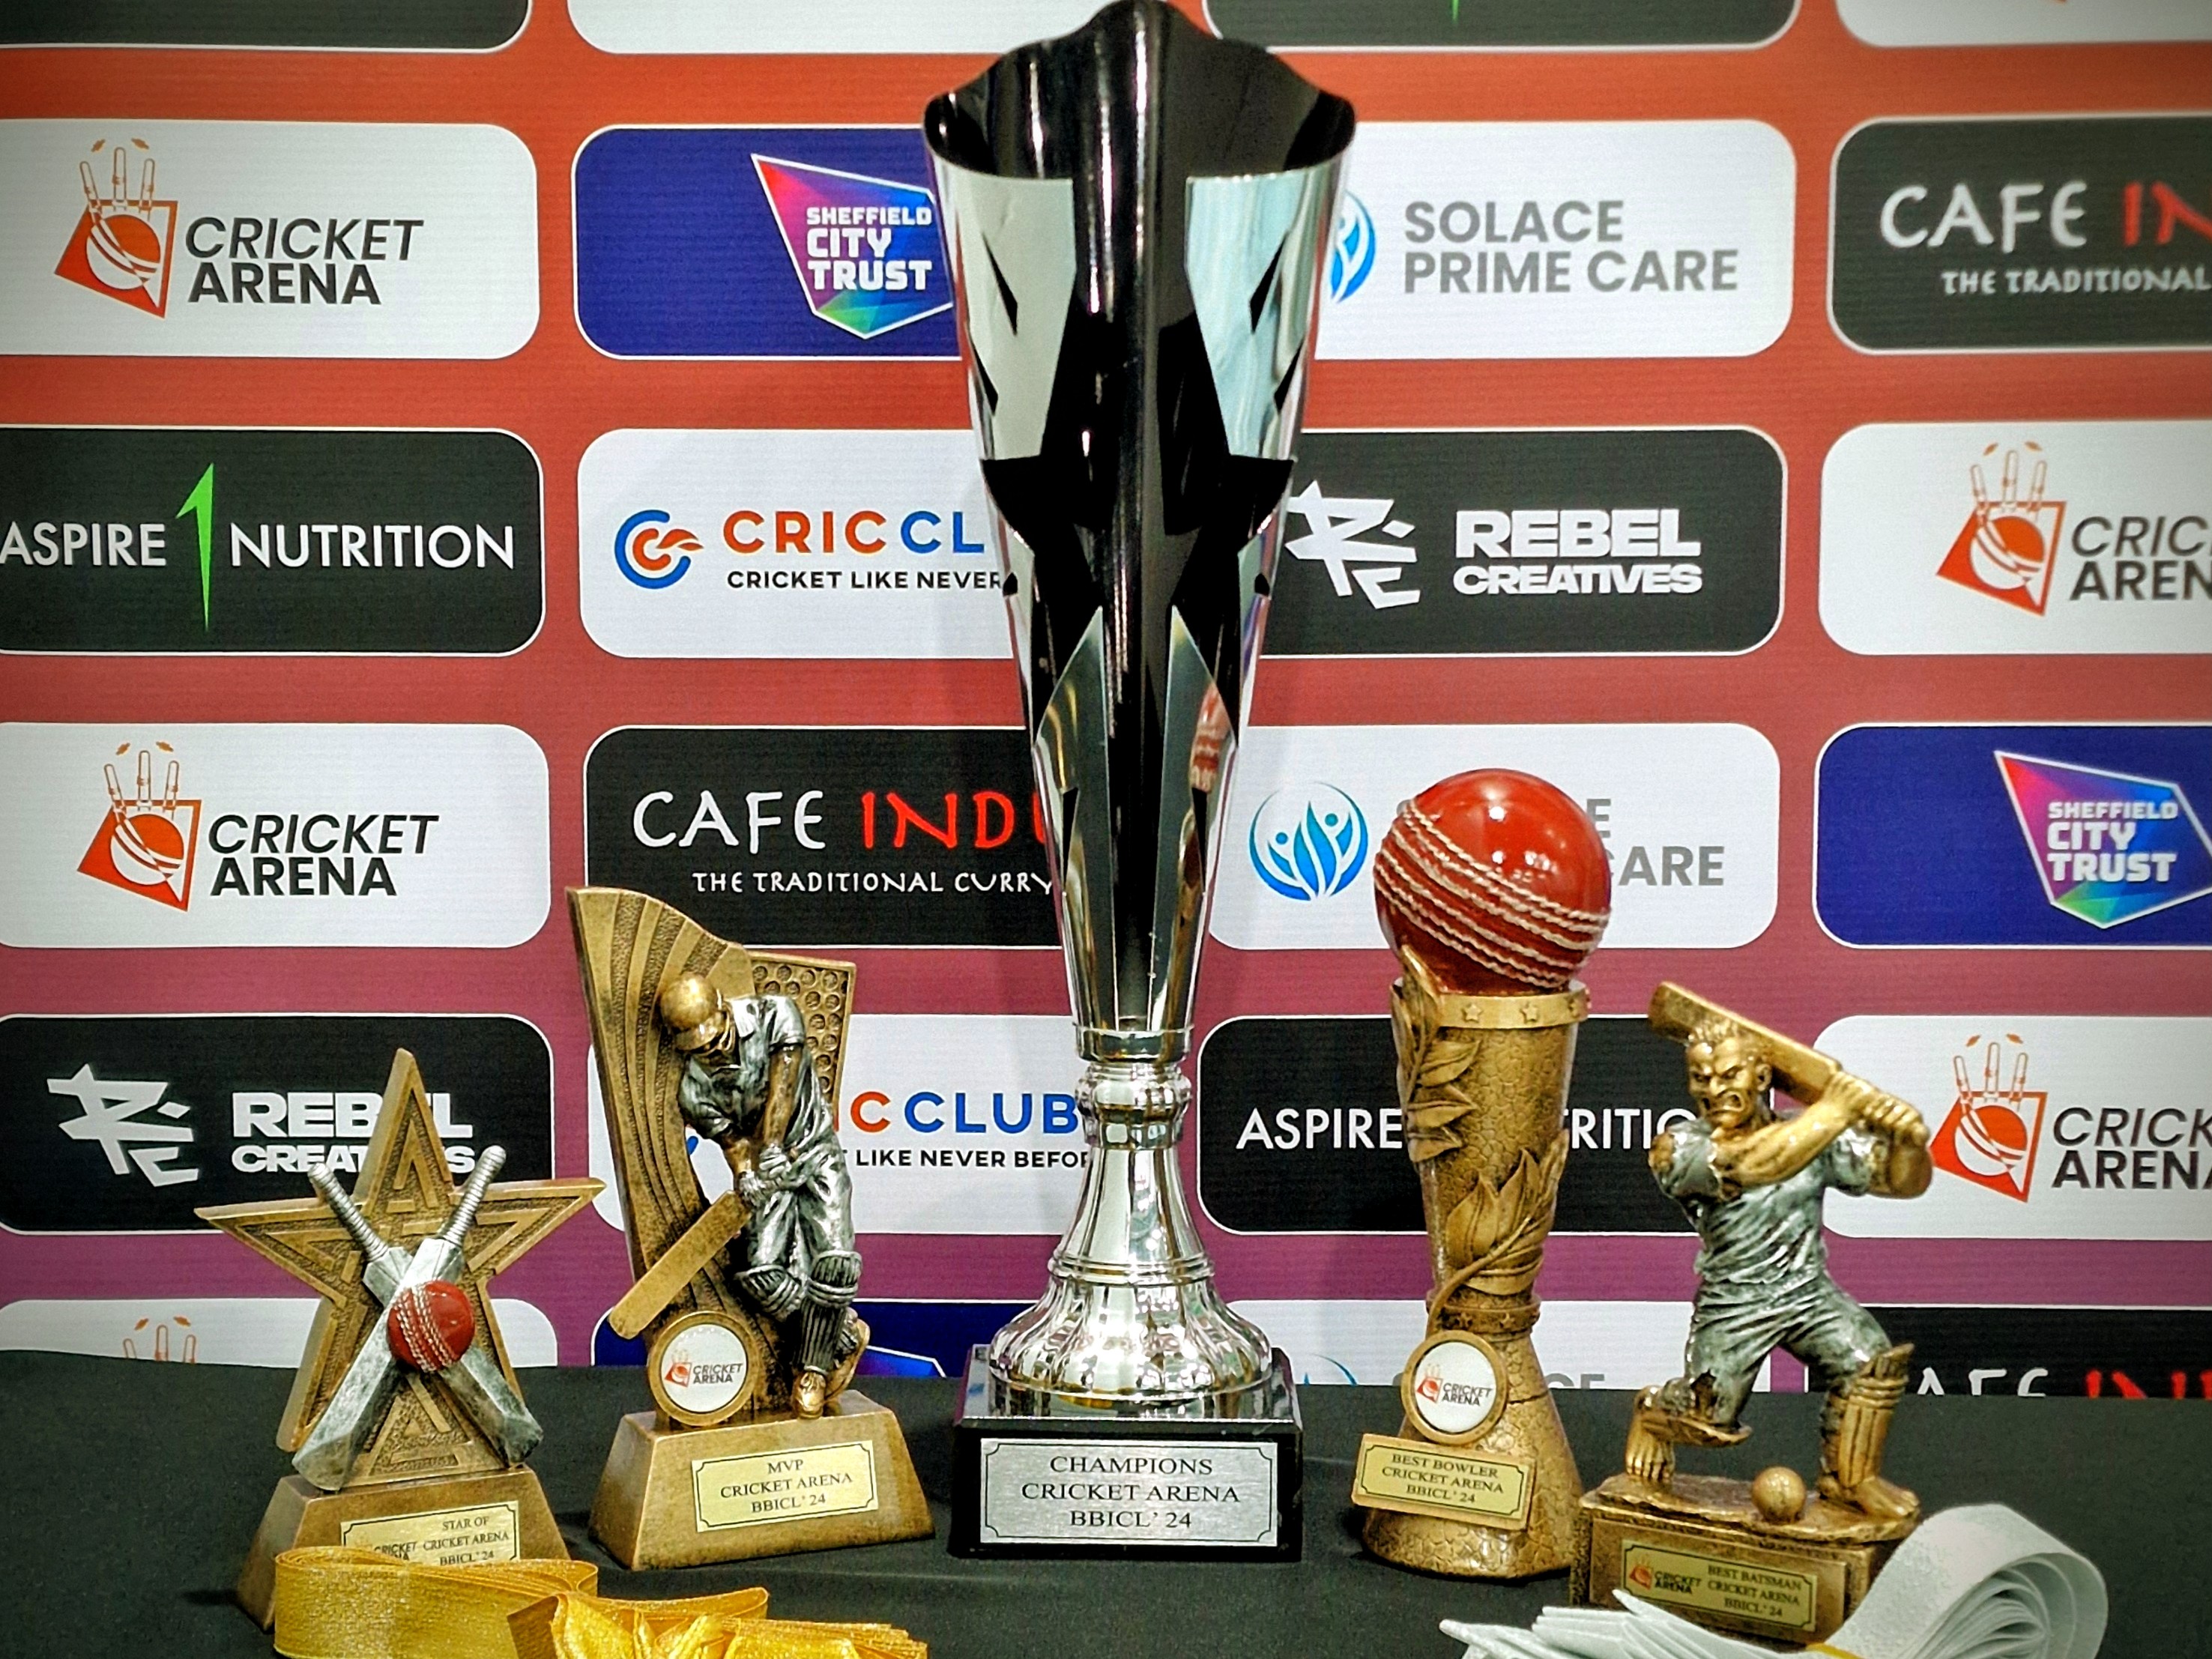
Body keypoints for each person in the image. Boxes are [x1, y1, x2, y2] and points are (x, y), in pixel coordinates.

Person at [1628, 1018, 1931, 1523]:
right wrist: (1836, 1111)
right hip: (1737, 1301)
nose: (1714, 1090)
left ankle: (1852, 1479)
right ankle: (1653, 1410)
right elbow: (1751, 1165)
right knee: (1710, 1418)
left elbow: (1901, 1184)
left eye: (1728, 1075)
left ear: (1762, 1078)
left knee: (1869, 1360)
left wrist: (1907, 1141)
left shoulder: (1811, 1136)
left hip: (1807, 1292)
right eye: (1701, 1078)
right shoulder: (1679, 1148)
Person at [656, 973, 864, 1418]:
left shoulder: (776, 1014)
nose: (711, 1050)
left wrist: (770, 1148)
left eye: (713, 1037)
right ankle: (839, 1334)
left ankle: (812, 1370)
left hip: (813, 1154)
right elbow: (731, 1140)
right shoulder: (693, 1087)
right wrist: (746, 1171)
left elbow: (782, 1089)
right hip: (768, 1177)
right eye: (698, 1047)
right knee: (758, 1274)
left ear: (723, 1010)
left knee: (835, 1262)